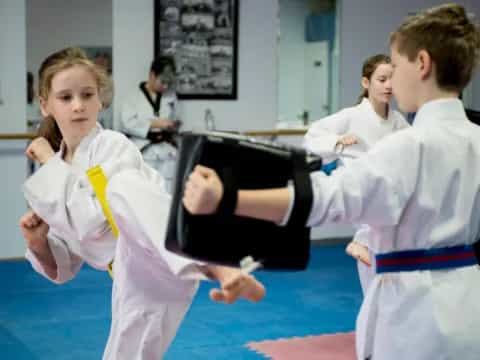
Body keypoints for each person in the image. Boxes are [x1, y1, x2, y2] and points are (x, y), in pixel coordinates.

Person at [183, 4, 480, 359]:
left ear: (422, 63)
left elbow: (328, 198)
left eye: (396, 67)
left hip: (415, 317)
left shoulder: (409, 144)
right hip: (468, 305)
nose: (392, 81)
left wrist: (227, 197)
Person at [19, 47, 265, 360]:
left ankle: (219, 263)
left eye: (87, 95)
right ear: (45, 105)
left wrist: (45, 160)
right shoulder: (53, 174)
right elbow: (65, 264)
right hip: (131, 271)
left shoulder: (112, 145)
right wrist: (39, 242)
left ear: (100, 100)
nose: (78, 106)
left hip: (162, 245)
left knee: (122, 187)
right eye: (66, 98)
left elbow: (94, 221)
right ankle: (215, 261)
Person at [304, 54, 409, 293]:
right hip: (363, 194)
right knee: (373, 279)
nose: (389, 86)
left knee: (384, 275)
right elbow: (311, 138)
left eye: (393, 79)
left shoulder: (398, 121)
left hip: (391, 198)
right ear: (366, 83)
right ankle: (362, 239)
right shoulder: (350, 116)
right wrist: (337, 142)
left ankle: (363, 241)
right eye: (382, 79)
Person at [120, 56, 180, 193]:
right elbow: (126, 124)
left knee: (168, 192)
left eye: (168, 84)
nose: (165, 87)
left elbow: (175, 117)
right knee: (145, 191)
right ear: (152, 75)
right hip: (144, 151)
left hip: (167, 152)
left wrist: (172, 125)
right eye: (162, 82)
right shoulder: (132, 97)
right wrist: (155, 123)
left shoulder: (170, 97)